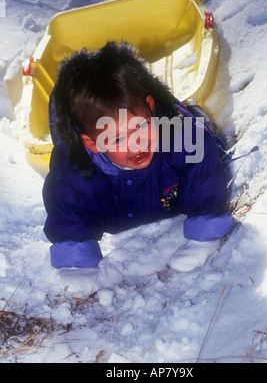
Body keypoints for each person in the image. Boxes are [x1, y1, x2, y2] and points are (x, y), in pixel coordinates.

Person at [43, 41, 234, 269]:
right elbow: (69, 217)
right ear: (92, 144)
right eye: (117, 139)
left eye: (140, 126)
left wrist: (205, 232)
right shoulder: (74, 174)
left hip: (173, 159)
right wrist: (77, 265)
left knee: (198, 134)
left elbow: (205, 182)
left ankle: (190, 112)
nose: (136, 144)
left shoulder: (183, 142)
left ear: (150, 108)